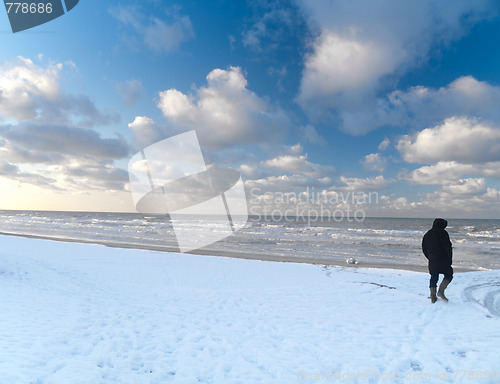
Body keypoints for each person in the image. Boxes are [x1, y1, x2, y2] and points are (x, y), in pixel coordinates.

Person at [422, 218, 453, 303]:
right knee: (449, 275)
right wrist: (449, 258)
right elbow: (448, 247)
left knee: (434, 277)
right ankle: (441, 291)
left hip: (432, 260)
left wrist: (430, 257)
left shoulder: (427, 234)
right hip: (443, 259)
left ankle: (433, 295)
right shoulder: (443, 233)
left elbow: (424, 248)